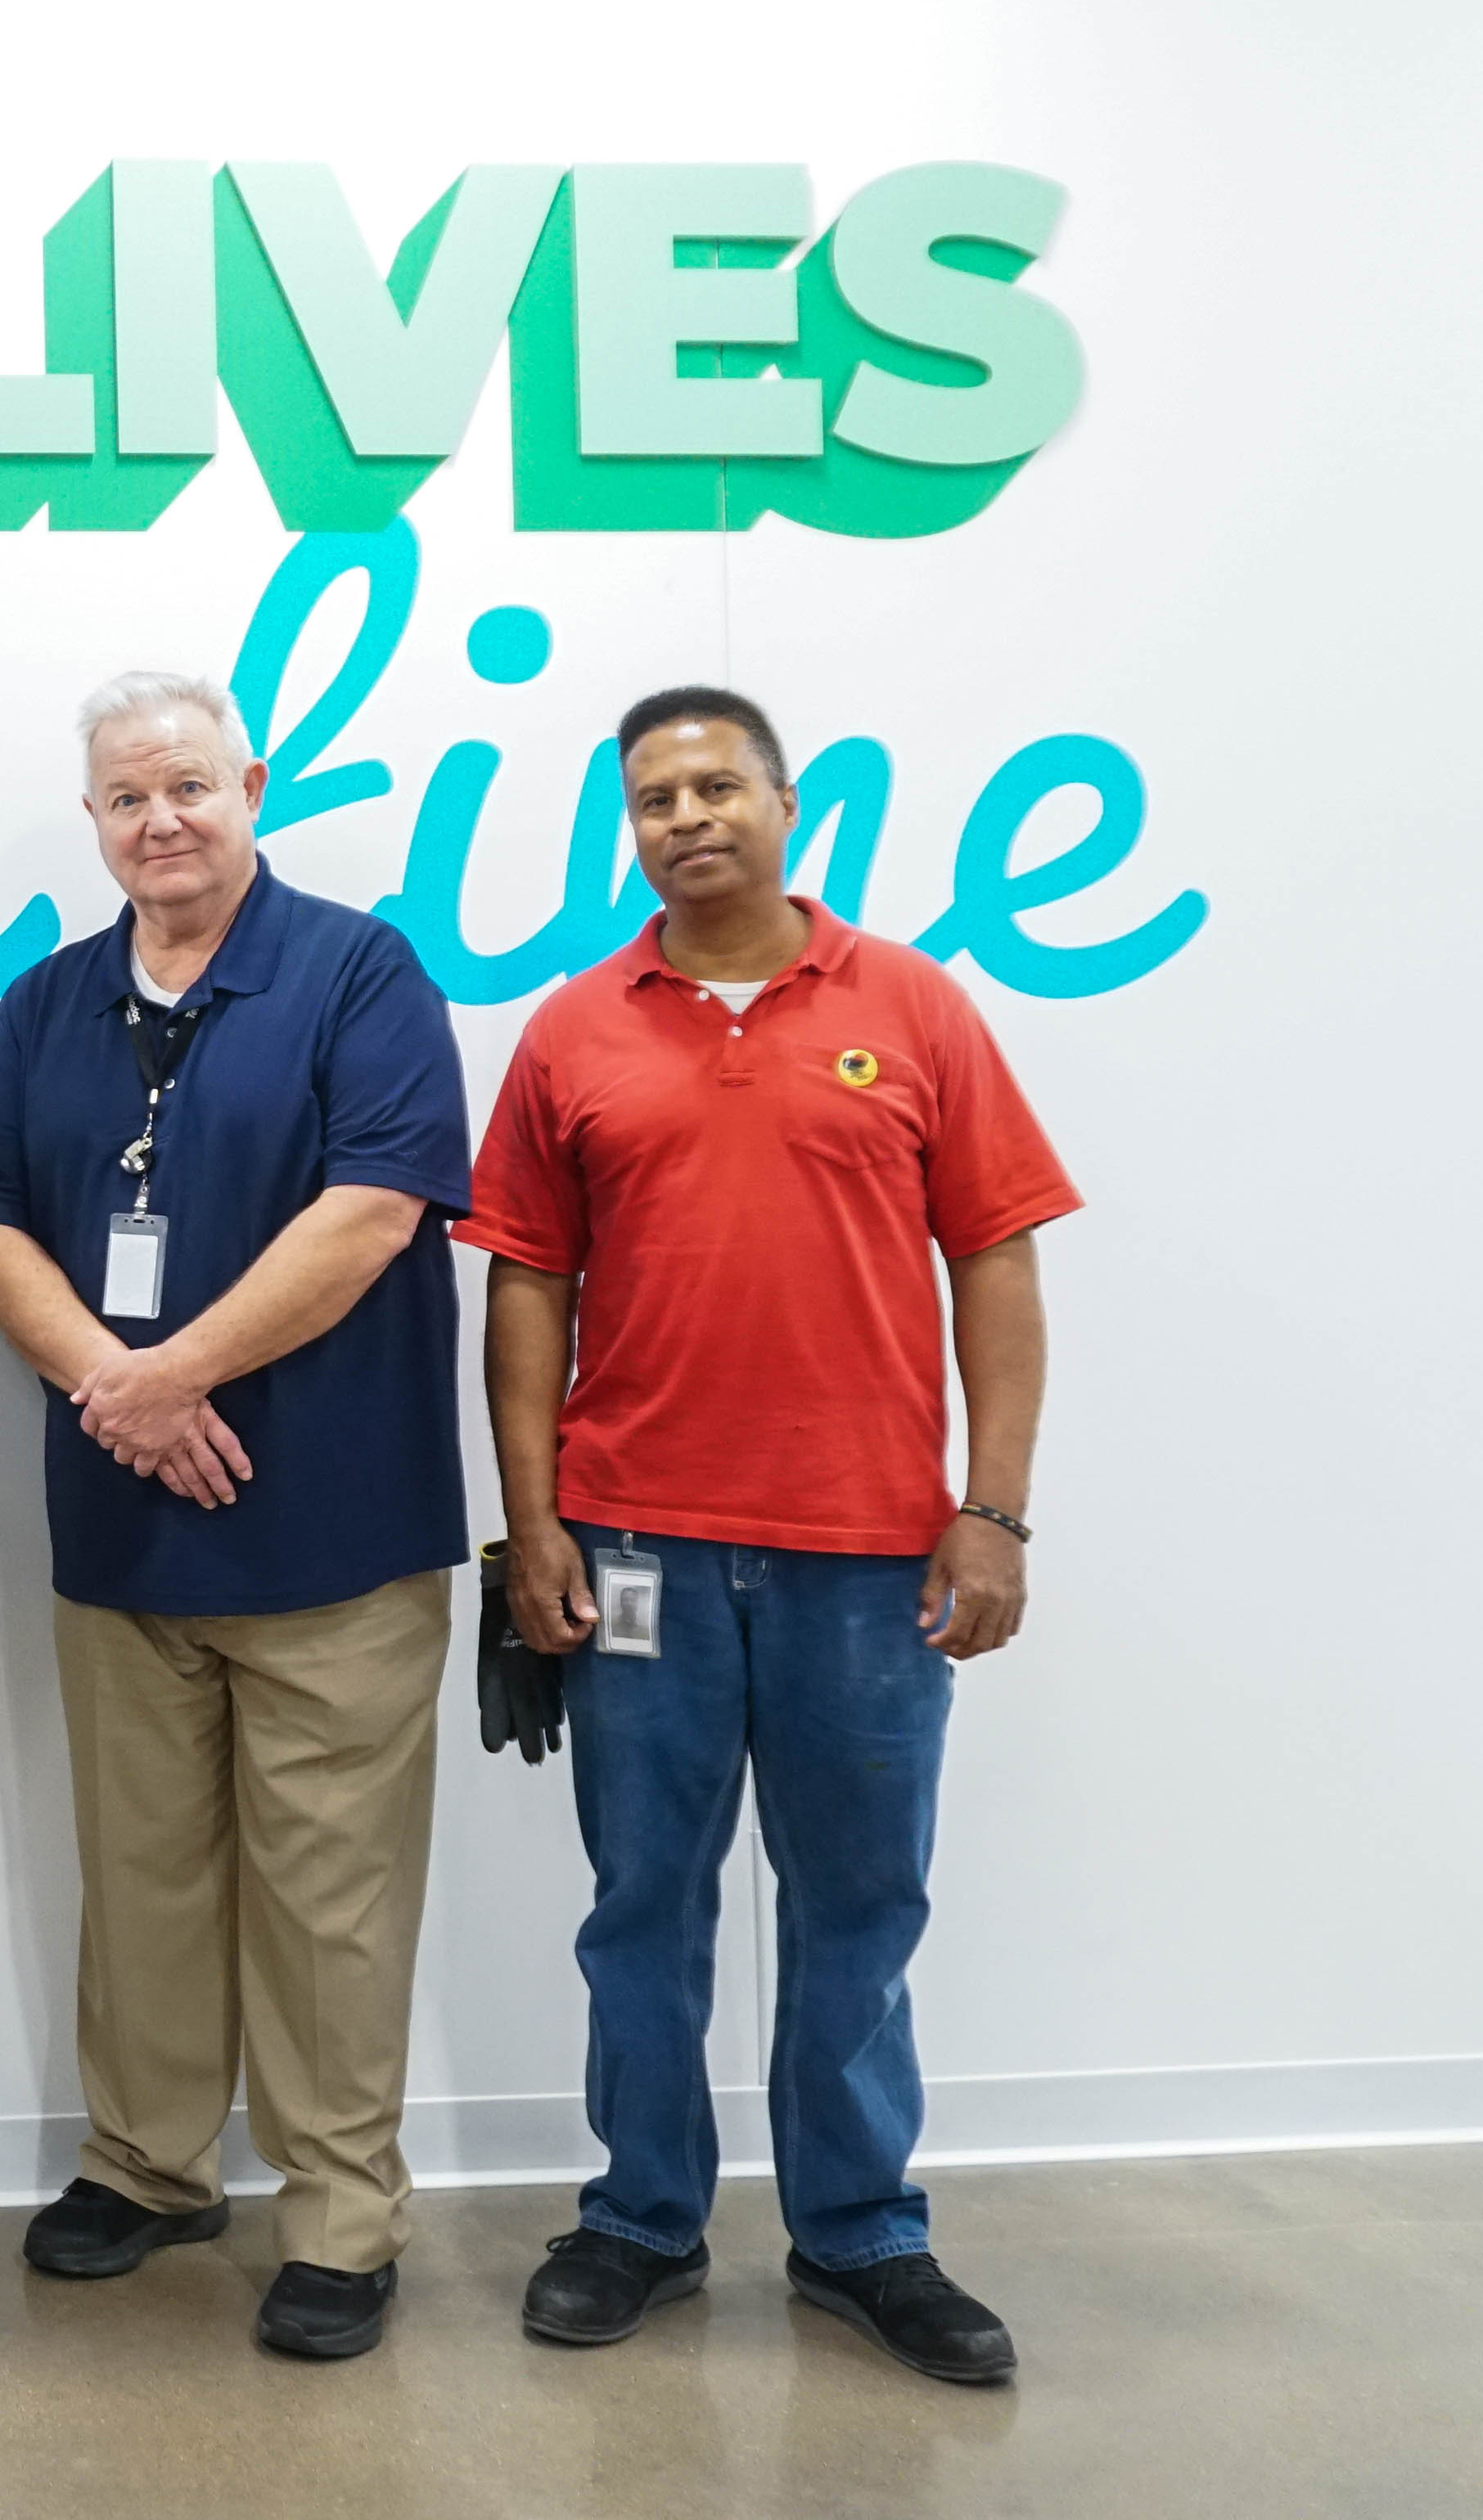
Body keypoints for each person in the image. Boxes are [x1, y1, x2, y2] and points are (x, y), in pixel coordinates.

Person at [462, 685, 1075, 2387]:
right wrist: (530, 1528)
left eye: (715, 783)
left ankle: (862, 2233)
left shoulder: (910, 1007)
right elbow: (524, 1289)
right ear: (627, 828)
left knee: (857, 1903)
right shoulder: (573, 1030)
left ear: (784, 803)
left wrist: (993, 1512)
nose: (685, 815)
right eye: (651, 796)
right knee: (638, 1904)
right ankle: (638, 2220)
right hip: (634, 1542)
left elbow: (998, 1266)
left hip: (865, 1556)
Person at [0, 672, 477, 2362]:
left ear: (248, 784)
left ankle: (335, 2217)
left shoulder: (356, 972)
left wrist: (166, 1371)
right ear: (92, 823)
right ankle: (147, 2164)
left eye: (184, 785)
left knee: (328, 1897)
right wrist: (120, 1391)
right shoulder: (46, 1005)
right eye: (122, 799)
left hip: (331, 1532)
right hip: (122, 1536)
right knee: (143, 1876)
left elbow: (375, 1212)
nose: (157, 820)